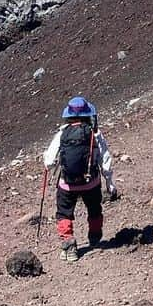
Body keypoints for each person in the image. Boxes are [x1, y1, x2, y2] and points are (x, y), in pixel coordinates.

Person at [43, 96, 118, 261]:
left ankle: (69, 245)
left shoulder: (62, 133)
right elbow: (105, 160)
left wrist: (56, 167)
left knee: (64, 213)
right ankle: (95, 236)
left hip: (67, 184)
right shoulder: (94, 134)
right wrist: (109, 183)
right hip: (91, 182)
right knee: (94, 209)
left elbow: (48, 161)